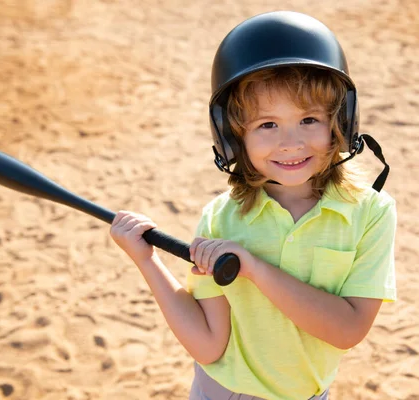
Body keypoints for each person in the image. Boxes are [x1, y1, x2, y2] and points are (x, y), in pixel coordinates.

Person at [110, 11, 396, 400]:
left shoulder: (370, 212)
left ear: (341, 122)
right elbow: (208, 345)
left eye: (310, 119)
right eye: (267, 125)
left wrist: (255, 269)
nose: (291, 143)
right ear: (232, 138)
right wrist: (147, 261)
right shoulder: (222, 218)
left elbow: (348, 330)